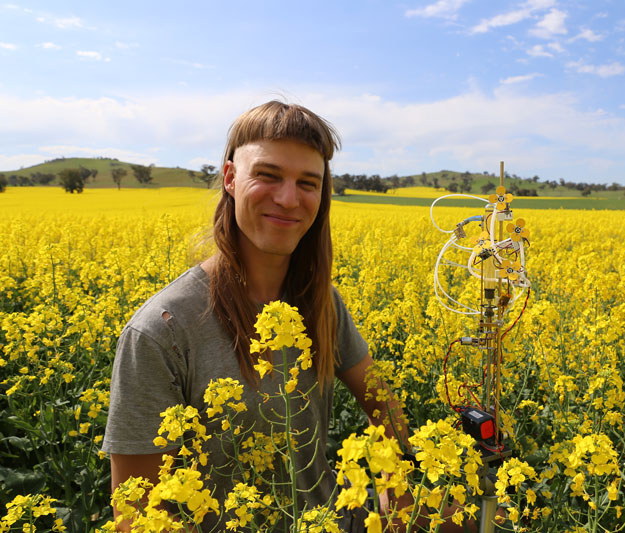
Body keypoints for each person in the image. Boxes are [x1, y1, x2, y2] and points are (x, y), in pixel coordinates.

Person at [102, 100, 406, 531]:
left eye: (307, 183)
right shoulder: (160, 330)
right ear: (230, 178)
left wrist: (401, 493)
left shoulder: (321, 303)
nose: (288, 199)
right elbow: (134, 516)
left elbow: (381, 401)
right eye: (267, 175)